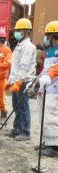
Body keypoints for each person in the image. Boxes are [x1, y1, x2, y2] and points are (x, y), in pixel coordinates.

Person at [6, 18, 36, 141]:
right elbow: (15, 66)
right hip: (16, 81)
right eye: (16, 30)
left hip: (23, 81)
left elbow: (24, 66)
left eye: (19, 30)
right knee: (16, 106)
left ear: (26, 31)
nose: (17, 32)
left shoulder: (28, 46)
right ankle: (17, 128)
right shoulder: (19, 45)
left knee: (23, 106)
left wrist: (19, 81)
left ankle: (25, 131)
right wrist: (10, 81)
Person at [38, 21, 58, 157]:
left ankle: (55, 147)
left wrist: (48, 77)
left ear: (53, 35)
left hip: (54, 88)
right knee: (43, 115)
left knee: (51, 116)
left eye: (47, 35)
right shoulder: (49, 50)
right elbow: (45, 69)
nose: (46, 38)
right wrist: (35, 81)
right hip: (45, 86)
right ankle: (46, 141)